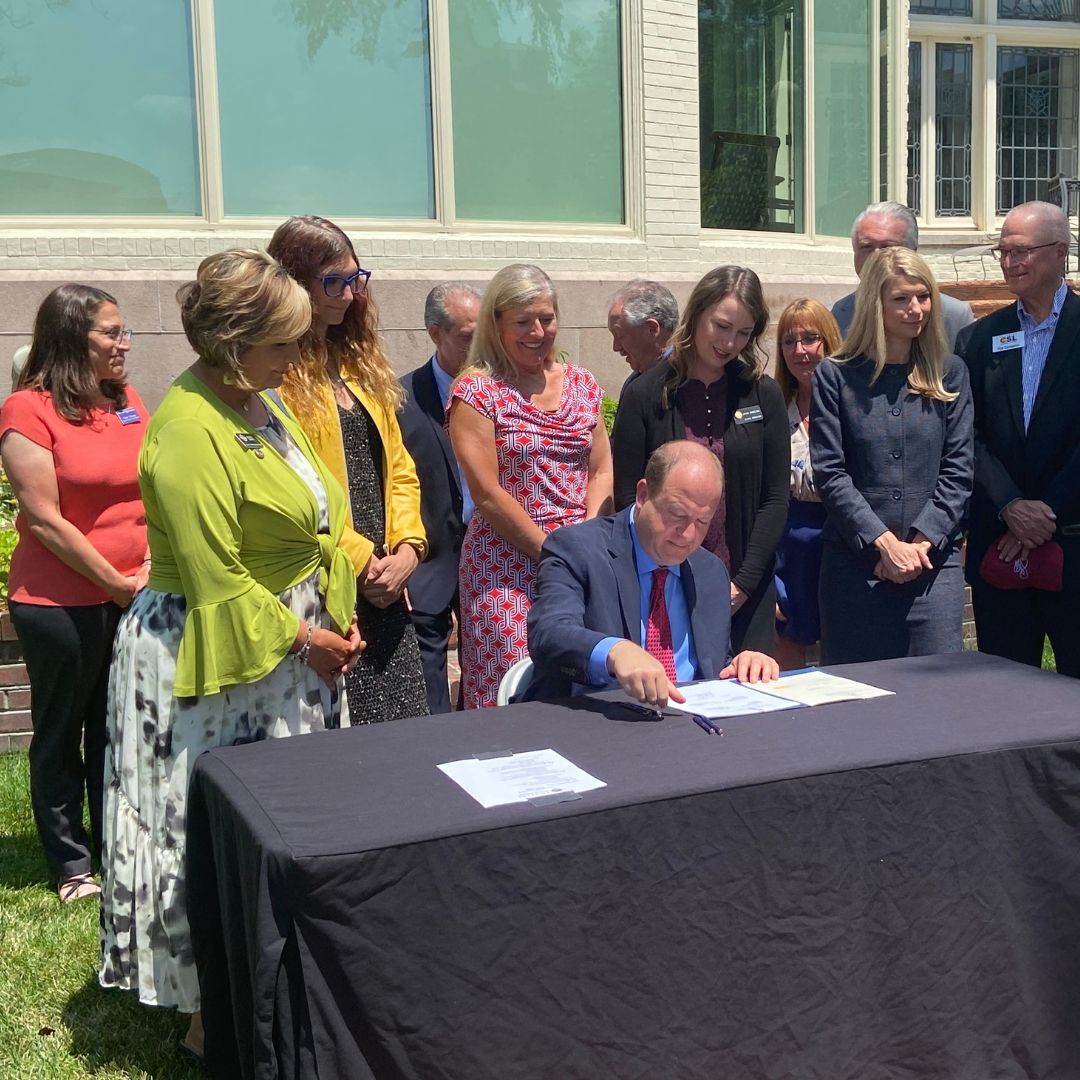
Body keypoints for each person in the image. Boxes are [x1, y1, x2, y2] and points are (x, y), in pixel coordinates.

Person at [98, 250, 363, 1055]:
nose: (297, 356)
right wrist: (310, 638)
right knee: (206, 828)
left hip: (287, 654)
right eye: (282, 343)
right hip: (208, 657)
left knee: (283, 821)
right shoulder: (186, 429)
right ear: (230, 343)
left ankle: (272, 975)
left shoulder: (254, 398)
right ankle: (206, 1011)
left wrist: (334, 613)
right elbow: (216, 577)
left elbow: (311, 512)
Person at [0, 285, 148, 903]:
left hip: (134, 592)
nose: (124, 343)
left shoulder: (126, 400)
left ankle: (117, 845)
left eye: (123, 330)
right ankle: (70, 864)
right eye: (110, 333)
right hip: (59, 601)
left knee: (116, 729)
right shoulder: (27, 412)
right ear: (71, 339)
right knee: (63, 729)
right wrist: (113, 583)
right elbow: (43, 519)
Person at [268, 215, 429, 724]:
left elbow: (398, 466)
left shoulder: (357, 360)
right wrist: (362, 560)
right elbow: (291, 483)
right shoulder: (276, 371)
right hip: (326, 579)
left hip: (386, 579)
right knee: (340, 739)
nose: (347, 294)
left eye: (356, 279)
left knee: (401, 729)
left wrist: (407, 549)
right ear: (293, 285)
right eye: (332, 282)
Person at [448, 263, 613, 708]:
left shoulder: (582, 383)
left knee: (583, 688)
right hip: (506, 565)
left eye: (546, 318)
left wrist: (590, 547)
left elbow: (600, 470)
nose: (538, 331)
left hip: (580, 560)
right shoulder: (477, 392)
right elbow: (487, 494)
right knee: (514, 693)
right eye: (523, 322)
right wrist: (557, 555)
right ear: (496, 324)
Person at [611, 265, 789, 655]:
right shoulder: (645, 393)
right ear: (697, 315)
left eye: (744, 333)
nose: (730, 343)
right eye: (722, 326)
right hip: (664, 582)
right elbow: (628, 495)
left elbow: (775, 497)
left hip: (746, 587)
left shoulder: (763, 394)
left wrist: (742, 583)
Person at [810, 247, 973, 664]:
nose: (916, 308)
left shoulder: (949, 371)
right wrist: (884, 545)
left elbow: (958, 470)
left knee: (937, 704)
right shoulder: (836, 375)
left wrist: (918, 545)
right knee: (858, 706)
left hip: (933, 570)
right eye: (901, 298)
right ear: (874, 305)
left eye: (923, 296)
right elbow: (831, 472)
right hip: (855, 570)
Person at [527, 441, 778, 704]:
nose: (688, 535)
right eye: (677, 515)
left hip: (690, 727)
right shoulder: (578, 550)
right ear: (643, 494)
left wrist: (742, 667)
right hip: (599, 722)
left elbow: (711, 665)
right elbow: (548, 634)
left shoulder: (710, 571)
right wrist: (614, 651)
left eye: (702, 522)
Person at [955, 200, 1080, 677]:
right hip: (1000, 549)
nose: (1010, 263)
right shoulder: (980, 339)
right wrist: (1009, 505)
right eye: (1002, 251)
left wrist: (1045, 514)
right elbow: (968, 434)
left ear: (1060, 254)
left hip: (1072, 543)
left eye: (1022, 251)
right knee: (1004, 698)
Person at [399, 283, 481, 713]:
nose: (478, 344)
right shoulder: (400, 399)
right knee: (429, 688)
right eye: (468, 335)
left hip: (490, 555)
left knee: (490, 672)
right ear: (436, 333)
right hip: (429, 560)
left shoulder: (503, 392)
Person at [772, 299, 842, 671]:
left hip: (839, 538)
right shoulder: (771, 404)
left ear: (829, 341)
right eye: (788, 341)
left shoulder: (853, 403)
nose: (800, 351)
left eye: (810, 338)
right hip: (787, 544)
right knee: (786, 647)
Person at [832, 201, 974, 349]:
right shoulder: (836, 315)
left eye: (887, 248)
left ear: (913, 252)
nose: (875, 257)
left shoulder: (954, 316)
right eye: (866, 247)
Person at [607, 279, 679, 388]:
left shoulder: (685, 381)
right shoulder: (637, 380)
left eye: (619, 335)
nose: (615, 347)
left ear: (652, 329)